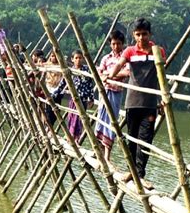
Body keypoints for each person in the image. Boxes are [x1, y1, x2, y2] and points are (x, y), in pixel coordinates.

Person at [105, 18, 165, 189]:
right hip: (132, 101)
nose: (141, 38)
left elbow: (161, 76)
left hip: (150, 103)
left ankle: (140, 174)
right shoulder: (130, 51)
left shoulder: (157, 51)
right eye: (138, 34)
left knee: (145, 140)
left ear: (149, 34)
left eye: (144, 34)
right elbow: (119, 65)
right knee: (131, 137)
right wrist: (110, 76)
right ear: (133, 35)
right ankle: (131, 171)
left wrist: (162, 99)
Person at [95, 30, 129, 168]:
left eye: (118, 44)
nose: (116, 46)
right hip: (104, 91)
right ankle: (99, 153)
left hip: (115, 92)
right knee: (101, 119)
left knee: (111, 122)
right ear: (110, 44)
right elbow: (99, 72)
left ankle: (107, 157)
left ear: (122, 44)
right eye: (113, 44)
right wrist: (112, 75)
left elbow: (126, 72)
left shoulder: (124, 58)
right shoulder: (106, 58)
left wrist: (108, 75)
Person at [52, 50, 95, 142]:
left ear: (83, 59)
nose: (78, 60)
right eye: (76, 58)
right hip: (73, 99)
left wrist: (91, 99)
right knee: (71, 118)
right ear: (72, 59)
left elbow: (90, 85)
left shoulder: (86, 70)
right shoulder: (70, 70)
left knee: (79, 120)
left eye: (80, 58)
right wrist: (55, 93)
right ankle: (70, 137)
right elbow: (63, 83)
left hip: (83, 99)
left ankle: (76, 139)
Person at [44, 50, 63, 126]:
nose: (54, 58)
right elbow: (38, 65)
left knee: (56, 110)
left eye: (55, 56)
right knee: (48, 109)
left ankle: (50, 126)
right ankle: (49, 127)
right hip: (49, 89)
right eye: (52, 56)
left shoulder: (61, 66)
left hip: (58, 90)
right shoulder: (47, 65)